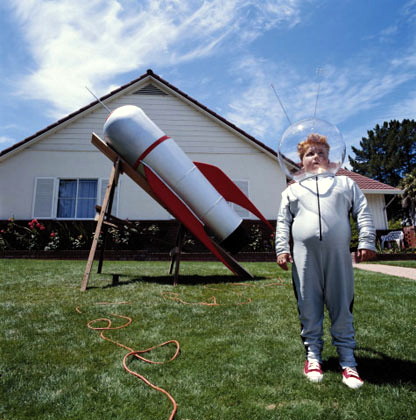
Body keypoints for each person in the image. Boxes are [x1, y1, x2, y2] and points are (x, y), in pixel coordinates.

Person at [275, 133, 376, 389]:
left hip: (338, 255)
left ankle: (347, 360)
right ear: (301, 161)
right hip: (304, 257)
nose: (316, 157)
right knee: (308, 304)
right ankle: (313, 356)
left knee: (341, 304)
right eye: (310, 153)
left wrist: (366, 240)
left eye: (321, 152)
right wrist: (281, 249)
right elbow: (283, 222)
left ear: (329, 157)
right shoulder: (292, 190)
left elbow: (362, 212)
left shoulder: (344, 184)